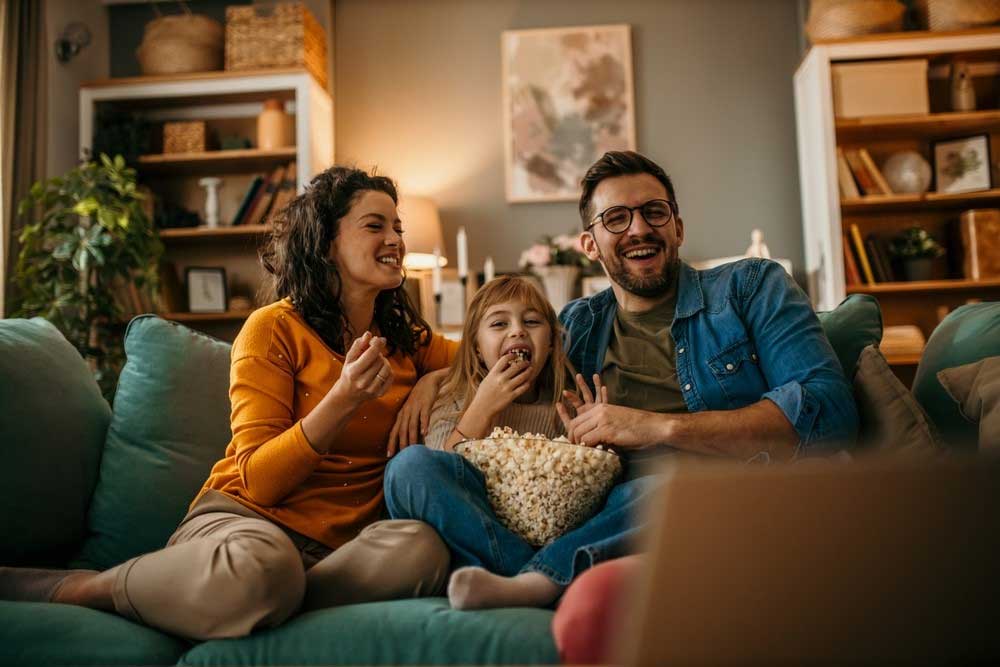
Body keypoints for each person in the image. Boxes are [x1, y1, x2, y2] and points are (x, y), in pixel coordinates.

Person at [0, 166, 457, 639]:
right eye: (375, 225)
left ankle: (272, 601)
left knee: (422, 547)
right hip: (246, 527)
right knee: (265, 568)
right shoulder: (273, 329)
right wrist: (343, 398)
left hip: (341, 552)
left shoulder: (409, 342)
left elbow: (490, 358)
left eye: (397, 227)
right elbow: (259, 480)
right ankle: (88, 588)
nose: (395, 239)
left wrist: (435, 380)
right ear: (325, 243)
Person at [557, 150, 857, 469]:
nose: (639, 229)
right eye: (616, 218)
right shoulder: (575, 326)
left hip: (735, 497)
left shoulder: (751, 287)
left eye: (655, 212)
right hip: (618, 503)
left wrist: (658, 428)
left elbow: (830, 411)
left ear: (679, 229)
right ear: (590, 245)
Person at [384, 275, 658, 610]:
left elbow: (584, 506)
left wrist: (591, 454)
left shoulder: (567, 406)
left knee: (656, 488)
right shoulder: (453, 399)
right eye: (499, 323)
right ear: (476, 349)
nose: (517, 330)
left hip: (557, 537)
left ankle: (533, 580)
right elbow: (440, 472)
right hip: (482, 535)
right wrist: (480, 410)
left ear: (553, 343)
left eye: (531, 321)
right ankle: (539, 577)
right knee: (408, 466)